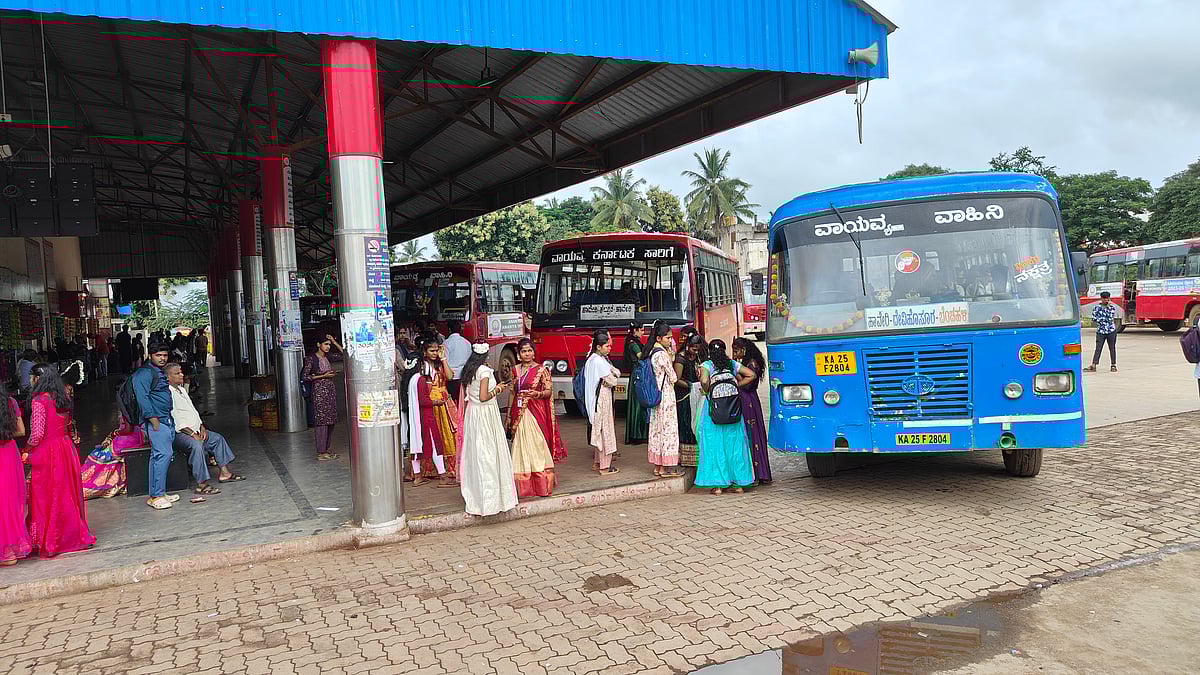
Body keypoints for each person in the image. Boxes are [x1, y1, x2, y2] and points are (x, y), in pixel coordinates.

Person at [24, 363, 96, 555]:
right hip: (65, 448)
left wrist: (27, 450)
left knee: (46, 495)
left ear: (37, 379)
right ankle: (74, 534)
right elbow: (69, 425)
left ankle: (50, 539)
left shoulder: (39, 401)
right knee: (67, 493)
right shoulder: (62, 397)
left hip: (48, 451)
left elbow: (37, 434)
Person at [458, 341, 518, 516]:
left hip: (473, 414)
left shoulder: (470, 371)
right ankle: (491, 500)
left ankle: (477, 497)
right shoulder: (484, 372)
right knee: (489, 454)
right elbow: (484, 397)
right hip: (485, 414)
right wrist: (498, 389)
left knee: (476, 453)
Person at [166, 362, 243, 495]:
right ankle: (202, 484)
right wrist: (192, 434)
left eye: (181, 372)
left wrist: (201, 427)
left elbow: (193, 411)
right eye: (177, 373)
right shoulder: (168, 394)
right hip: (180, 434)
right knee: (196, 446)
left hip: (195, 430)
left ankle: (225, 473)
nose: (181, 374)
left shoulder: (181, 389)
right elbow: (176, 419)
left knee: (216, 439)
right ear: (168, 377)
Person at [694, 339, 757, 495]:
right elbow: (751, 375)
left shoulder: (707, 365)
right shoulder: (732, 364)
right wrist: (736, 385)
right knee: (735, 447)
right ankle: (738, 484)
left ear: (709, 352)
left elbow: (703, 380)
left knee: (714, 446)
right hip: (734, 411)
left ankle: (718, 486)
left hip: (713, 413)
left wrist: (707, 389)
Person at [507, 337, 560, 496]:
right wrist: (509, 414)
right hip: (519, 411)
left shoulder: (541, 370)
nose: (527, 354)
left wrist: (537, 393)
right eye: (523, 351)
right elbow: (512, 392)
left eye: (529, 351)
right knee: (520, 446)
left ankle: (541, 482)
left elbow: (549, 391)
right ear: (519, 354)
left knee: (537, 444)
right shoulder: (515, 370)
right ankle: (524, 484)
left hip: (536, 411)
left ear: (534, 353)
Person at [132, 343, 180, 510]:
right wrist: (153, 421)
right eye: (158, 355)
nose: (162, 358)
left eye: (165, 355)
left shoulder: (157, 372)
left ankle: (158, 493)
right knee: (163, 455)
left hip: (164, 419)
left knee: (158, 457)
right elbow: (142, 398)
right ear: (150, 355)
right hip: (156, 421)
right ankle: (157, 495)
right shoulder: (144, 373)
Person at [407, 337, 460, 487]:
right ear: (424, 352)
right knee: (431, 439)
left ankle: (445, 472)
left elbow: (450, 377)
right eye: (432, 350)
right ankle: (435, 473)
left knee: (447, 438)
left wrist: (443, 358)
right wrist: (434, 401)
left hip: (444, 404)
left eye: (437, 350)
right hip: (431, 405)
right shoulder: (421, 368)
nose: (435, 353)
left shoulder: (440, 364)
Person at [732, 337, 772, 485]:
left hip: (748, 401)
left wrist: (735, 372)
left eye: (737, 351)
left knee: (752, 435)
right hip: (747, 400)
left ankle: (757, 474)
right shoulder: (747, 363)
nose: (735, 354)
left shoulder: (751, 364)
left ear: (744, 350)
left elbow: (747, 385)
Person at [645, 320, 682, 478]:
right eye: (668, 338)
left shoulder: (652, 353)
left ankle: (658, 466)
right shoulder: (662, 355)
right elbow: (673, 377)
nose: (670, 340)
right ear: (659, 338)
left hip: (656, 396)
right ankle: (667, 468)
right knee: (668, 431)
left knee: (657, 431)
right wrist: (671, 356)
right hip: (666, 396)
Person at [583, 330, 622, 476]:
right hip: (602, 399)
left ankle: (597, 463)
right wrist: (614, 373)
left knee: (599, 430)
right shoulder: (600, 362)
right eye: (607, 346)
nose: (609, 349)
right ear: (599, 347)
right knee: (606, 431)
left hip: (594, 399)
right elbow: (613, 380)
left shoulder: (592, 359)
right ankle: (605, 467)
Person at [302, 334, 343, 461]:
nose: (328, 347)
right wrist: (323, 376)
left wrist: (334, 341)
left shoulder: (328, 357)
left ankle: (326, 449)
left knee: (331, 421)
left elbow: (344, 355)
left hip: (330, 393)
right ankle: (321, 451)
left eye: (329, 344)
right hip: (319, 394)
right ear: (318, 345)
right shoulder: (311, 359)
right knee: (322, 423)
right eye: (326, 344)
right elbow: (305, 376)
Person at [0, 382, 29, 565]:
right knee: (9, 500)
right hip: (9, 454)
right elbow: (22, 431)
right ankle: (11, 549)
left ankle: (4, 552)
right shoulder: (10, 402)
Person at [674, 333, 703, 464]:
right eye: (693, 349)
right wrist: (691, 385)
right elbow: (676, 379)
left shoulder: (696, 358)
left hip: (695, 396)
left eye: (698, 349)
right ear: (687, 346)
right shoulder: (680, 359)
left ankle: (695, 458)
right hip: (683, 397)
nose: (695, 352)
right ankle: (685, 459)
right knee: (685, 425)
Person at [623, 323, 649, 445]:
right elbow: (641, 357)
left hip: (635, 374)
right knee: (638, 405)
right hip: (638, 375)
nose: (643, 332)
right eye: (641, 330)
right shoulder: (634, 344)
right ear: (635, 331)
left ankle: (637, 434)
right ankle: (637, 434)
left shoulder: (631, 342)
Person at [1085, 291, 1119, 372]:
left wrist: (1100, 318)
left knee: (1112, 348)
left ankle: (1113, 365)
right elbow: (1093, 319)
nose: (1106, 300)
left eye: (1107, 299)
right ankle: (1094, 365)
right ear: (1101, 299)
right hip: (1100, 331)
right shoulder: (1097, 307)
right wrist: (1102, 319)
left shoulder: (1112, 307)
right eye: (1104, 299)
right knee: (1098, 348)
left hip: (1111, 331)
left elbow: (1110, 319)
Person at [443, 319, 471, 402]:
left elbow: (445, 361)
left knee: (453, 402)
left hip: (452, 377)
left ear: (449, 329)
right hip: (464, 376)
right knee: (463, 401)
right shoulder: (467, 342)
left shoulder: (446, 343)